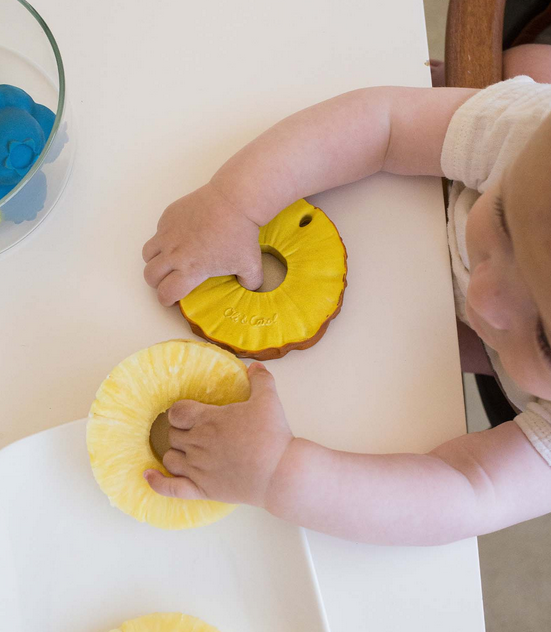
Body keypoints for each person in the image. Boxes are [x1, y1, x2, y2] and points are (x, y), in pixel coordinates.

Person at [140, 45, 551, 546]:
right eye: (505, 222)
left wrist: (278, 475)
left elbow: (469, 491)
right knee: (527, 68)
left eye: (547, 337)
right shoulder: (535, 135)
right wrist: (233, 201)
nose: (484, 298)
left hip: (471, 372)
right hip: (430, 229)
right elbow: (387, 123)